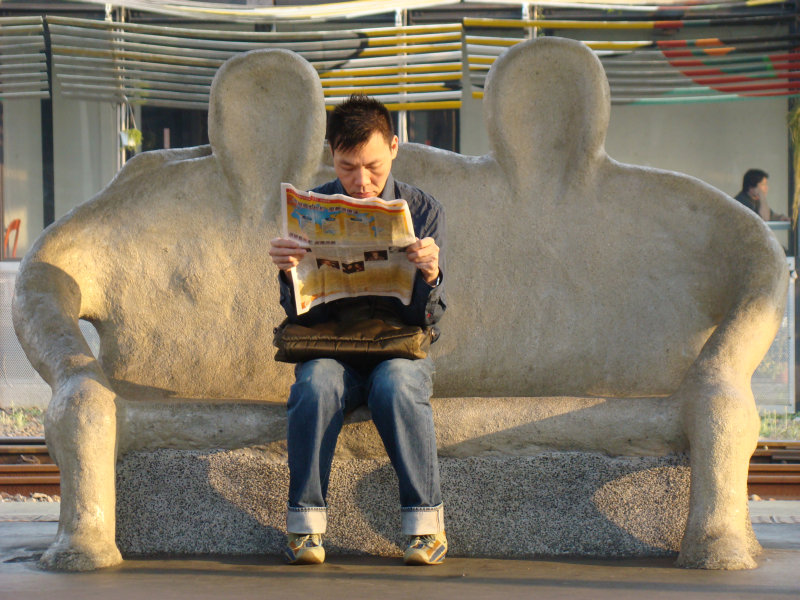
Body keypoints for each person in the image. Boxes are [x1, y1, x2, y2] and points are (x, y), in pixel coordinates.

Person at [268, 94, 447, 566]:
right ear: (332, 155)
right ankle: (305, 527)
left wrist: (430, 275)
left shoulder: (422, 209)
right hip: (331, 348)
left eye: (372, 166)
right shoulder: (311, 209)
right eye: (348, 167)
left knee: (398, 384)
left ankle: (425, 527)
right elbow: (302, 320)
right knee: (315, 382)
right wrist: (290, 273)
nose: (361, 182)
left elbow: (426, 320)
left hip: (397, 349)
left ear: (394, 147)